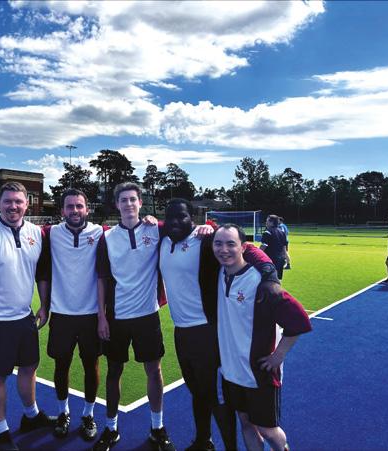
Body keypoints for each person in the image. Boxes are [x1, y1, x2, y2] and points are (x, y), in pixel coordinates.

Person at [94, 183, 212, 451]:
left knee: (154, 371)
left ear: (140, 202)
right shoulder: (107, 237)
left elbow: (184, 227)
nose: (128, 204)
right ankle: (111, 428)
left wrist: (206, 227)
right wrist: (101, 316)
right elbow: (102, 279)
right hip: (116, 317)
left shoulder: (156, 229)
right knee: (114, 371)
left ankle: (157, 428)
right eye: (123, 200)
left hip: (148, 315)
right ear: (117, 204)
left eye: (132, 199)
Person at [160, 199, 276, 451]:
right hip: (181, 333)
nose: (176, 222)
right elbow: (153, 225)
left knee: (217, 398)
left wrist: (268, 271)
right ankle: (203, 441)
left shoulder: (205, 241)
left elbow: (245, 248)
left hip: (206, 332)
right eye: (171, 217)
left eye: (182, 217)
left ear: (192, 218)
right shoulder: (164, 239)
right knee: (197, 391)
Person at [0, 182, 56, 451]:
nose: (13, 206)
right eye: (8, 201)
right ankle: (1, 432)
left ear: (27, 204)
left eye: (18, 201)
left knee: (29, 368)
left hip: (25, 318)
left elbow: (42, 273)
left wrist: (44, 305)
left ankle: (31, 416)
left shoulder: (37, 233)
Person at [212, 224, 311, 451]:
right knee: (246, 423)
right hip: (231, 370)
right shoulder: (219, 273)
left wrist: (278, 356)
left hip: (259, 372)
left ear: (243, 247)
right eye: (218, 244)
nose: (224, 250)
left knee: (268, 430)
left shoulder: (260, 282)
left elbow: (299, 319)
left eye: (231, 244)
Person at [35, 188, 105, 441]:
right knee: (61, 365)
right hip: (61, 314)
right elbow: (42, 271)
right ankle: (63, 412)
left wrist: (154, 220)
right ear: (62, 210)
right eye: (70, 206)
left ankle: (88, 414)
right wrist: (44, 306)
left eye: (79, 206)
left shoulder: (100, 233)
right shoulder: (51, 233)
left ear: (87, 208)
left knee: (91, 365)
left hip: (91, 314)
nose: (75, 210)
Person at [260, 215, 288, 280]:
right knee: (278, 280)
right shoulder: (282, 232)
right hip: (280, 260)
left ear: (271, 222)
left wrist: (256, 255)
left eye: (267, 221)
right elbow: (284, 247)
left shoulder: (267, 232)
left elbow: (263, 247)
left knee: (268, 280)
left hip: (270, 260)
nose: (266, 223)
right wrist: (284, 258)